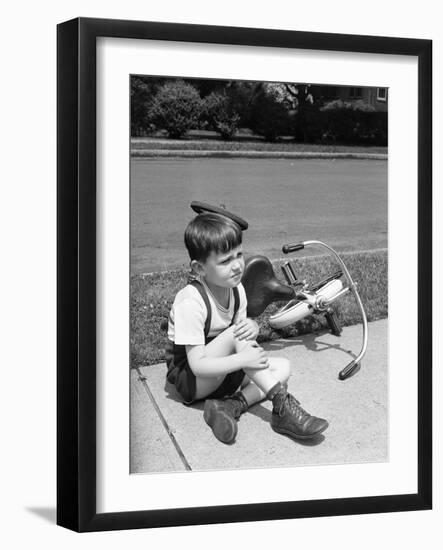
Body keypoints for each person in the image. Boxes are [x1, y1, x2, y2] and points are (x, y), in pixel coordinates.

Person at [165, 211, 329, 444]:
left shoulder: (236, 290)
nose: (236, 266)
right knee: (238, 335)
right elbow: (198, 365)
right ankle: (281, 403)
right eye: (224, 261)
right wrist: (242, 361)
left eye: (239, 254)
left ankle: (229, 405)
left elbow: (241, 338)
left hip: (223, 372)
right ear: (199, 268)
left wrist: (252, 325)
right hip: (192, 380)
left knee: (284, 367)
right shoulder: (191, 301)